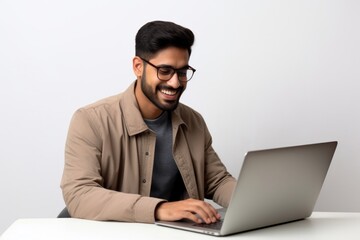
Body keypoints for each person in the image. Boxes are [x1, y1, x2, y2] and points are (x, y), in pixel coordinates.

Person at [60, 20, 236, 225]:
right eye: (164, 70)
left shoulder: (193, 121)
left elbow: (217, 180)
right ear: (138, 67)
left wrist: (257, 203)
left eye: (182, 72)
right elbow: (79, 194)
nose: (175, 82)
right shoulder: (91, 120)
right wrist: (159, 208)